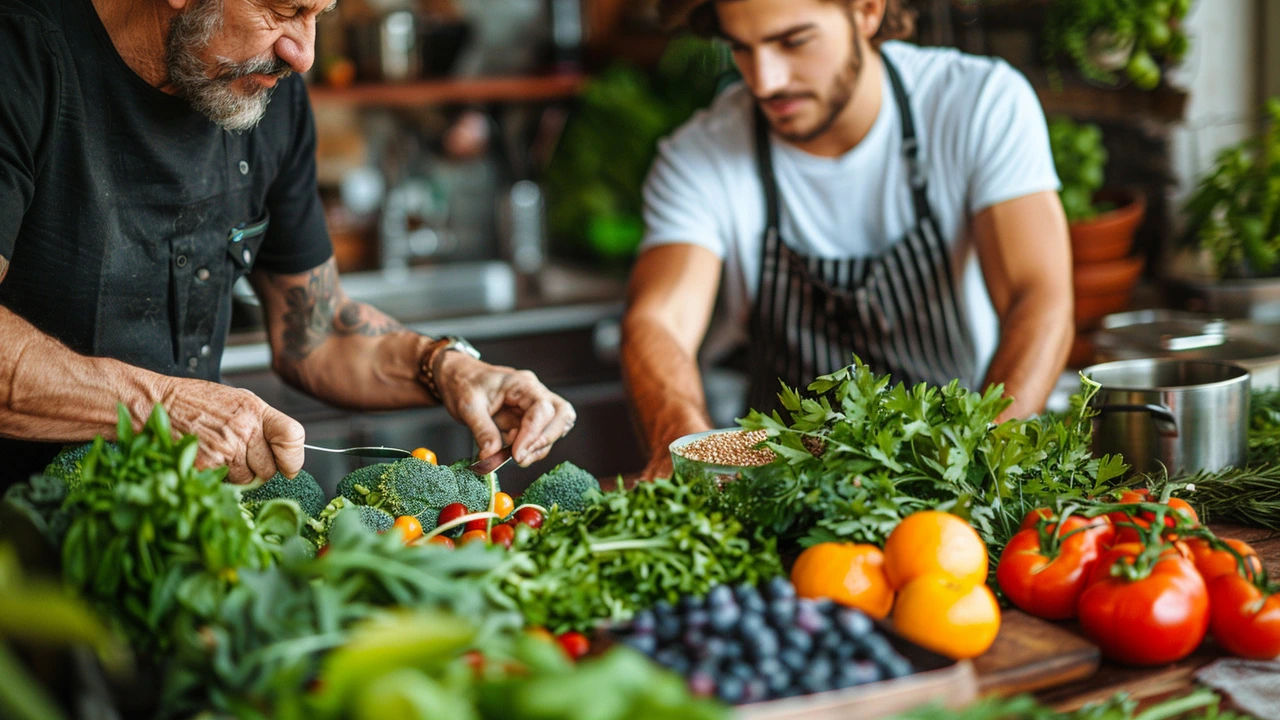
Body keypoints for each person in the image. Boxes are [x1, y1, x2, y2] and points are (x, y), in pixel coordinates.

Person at [0, 0, 576, 485]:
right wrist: (161, 407)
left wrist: (446, 368)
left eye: (320, 13)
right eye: (283, 10)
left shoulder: (266, 97)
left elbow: (318, 331)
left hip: (168, 535)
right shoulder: (18, 56)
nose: (303, 55)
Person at [622, 0, 1073, 479]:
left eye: (793, 41)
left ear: (867, 11)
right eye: (742, 49)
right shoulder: (701, 156)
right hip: (780, 487)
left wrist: (987, 457)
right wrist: (685, 446)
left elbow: (1039, 296)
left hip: (953, 468)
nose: (765, 81)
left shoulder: (977, 103)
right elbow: (659, 320)